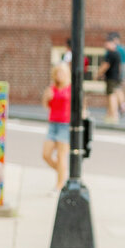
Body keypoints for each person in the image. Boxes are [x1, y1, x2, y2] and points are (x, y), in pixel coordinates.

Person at [41, 63, 71, 191]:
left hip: (65, 125)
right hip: (53, 124)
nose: (60, 76)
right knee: (46, 155)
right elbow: (46, 105)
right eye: (58, 73)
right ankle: (63, 174)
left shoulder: (70, 88)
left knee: (61, 156)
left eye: (62, 73)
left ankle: (59, 185)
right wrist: (47, 98)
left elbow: (79, 106)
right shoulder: (51, 88)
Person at [97, 34, 122, 123]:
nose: (105, 45)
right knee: (113, 95)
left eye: (107, 43)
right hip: (115, 78)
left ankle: (113, 115)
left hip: (111, 78)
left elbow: (105, 65)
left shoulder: (110, 54)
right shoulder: (117, 53)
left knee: (111, 96)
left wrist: (98, 74)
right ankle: (111, 114)